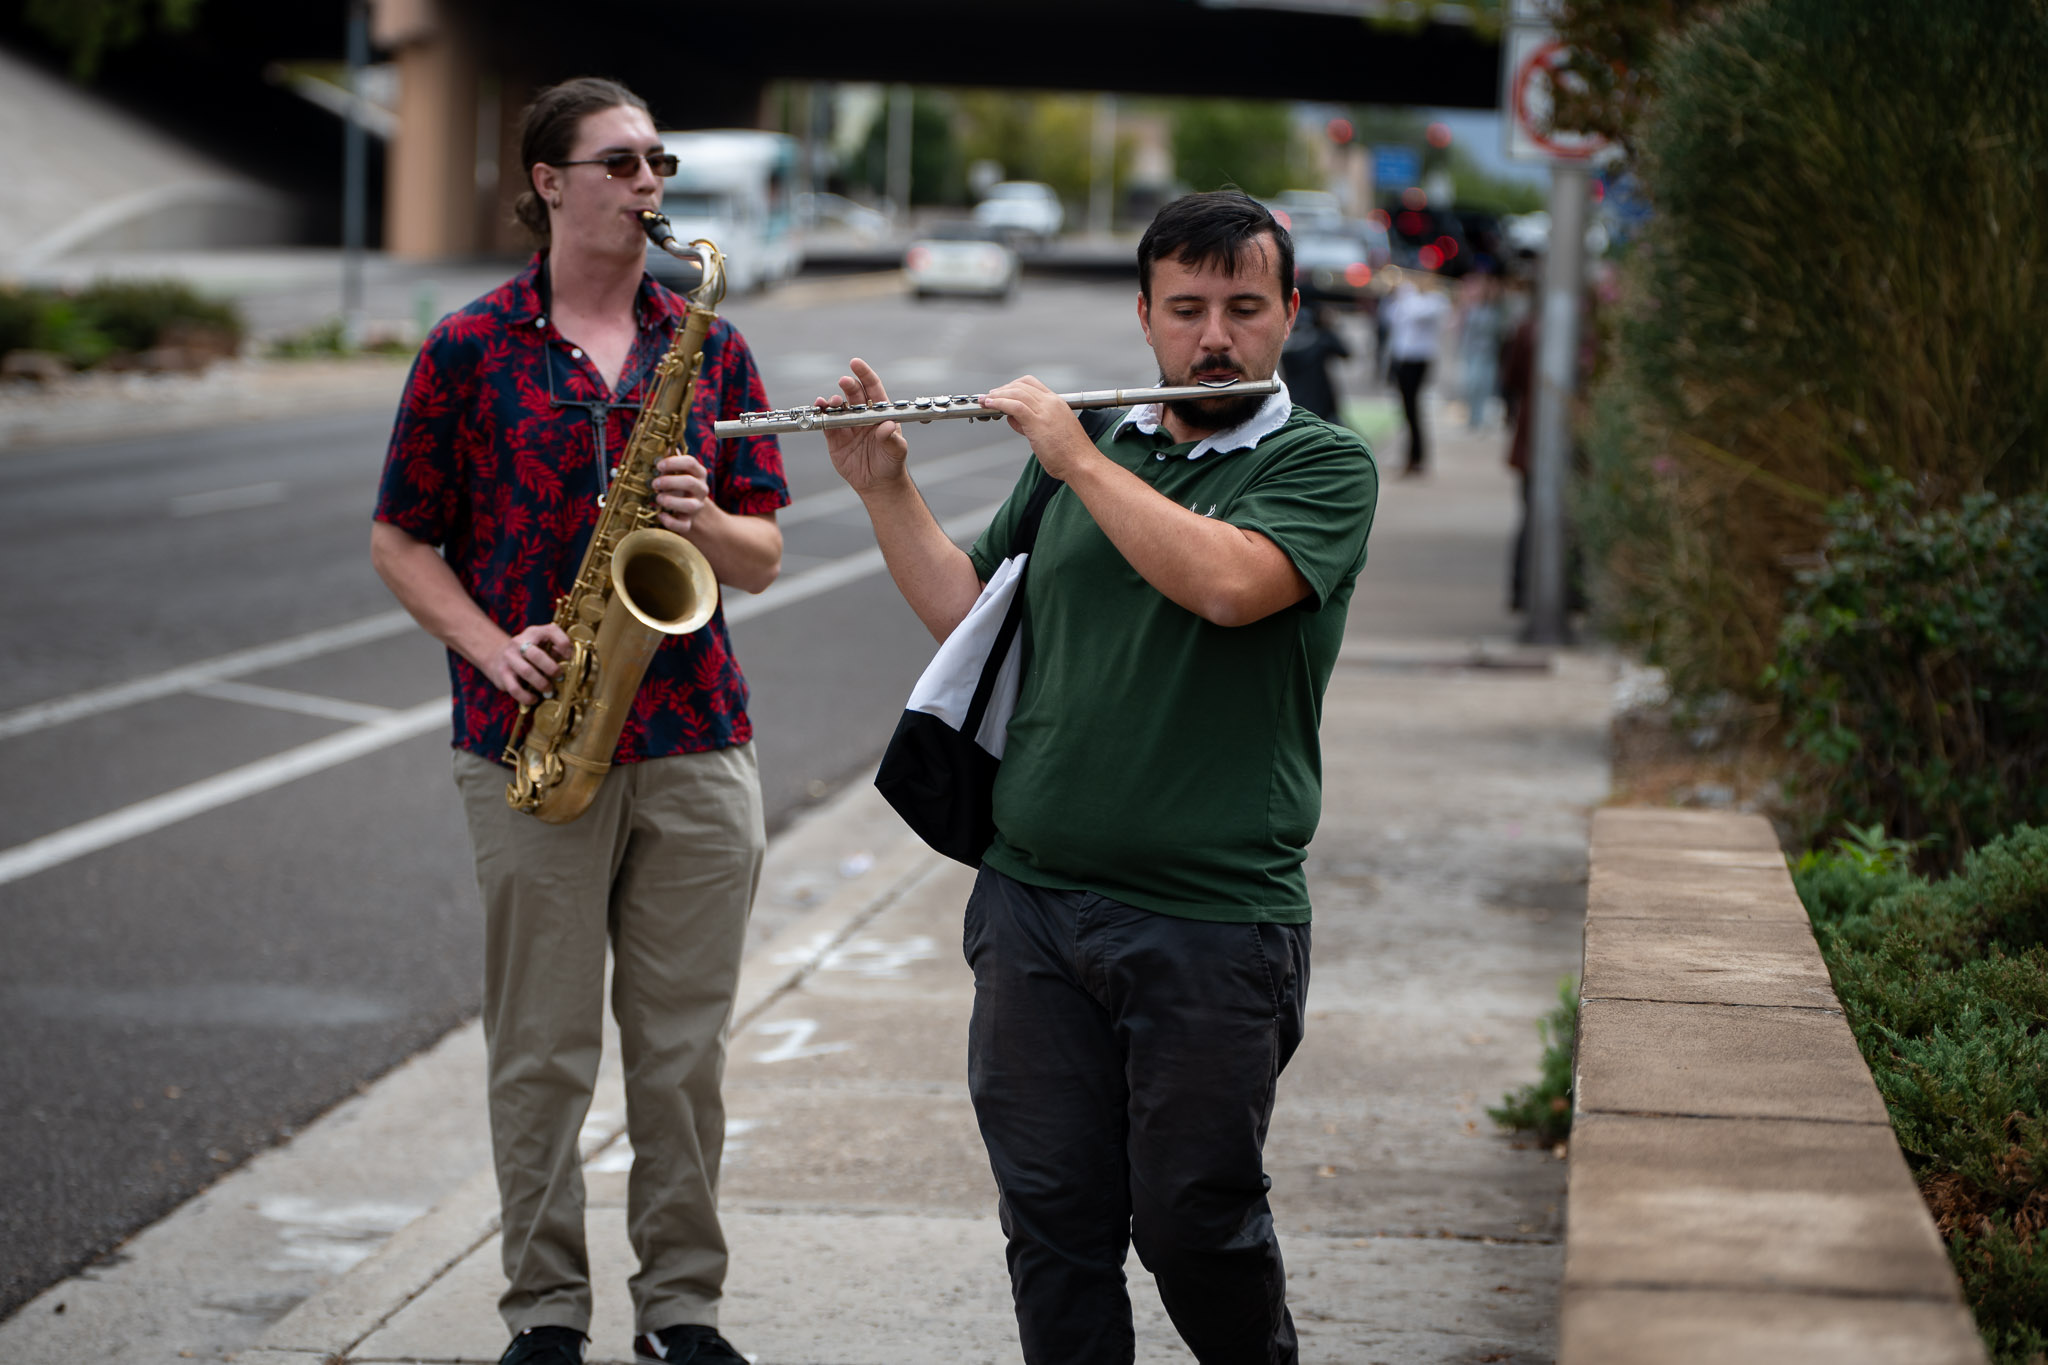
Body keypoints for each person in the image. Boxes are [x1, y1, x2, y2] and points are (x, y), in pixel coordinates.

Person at [819, 190, 1378, 1365]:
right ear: (1143, 316)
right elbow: (969, 619)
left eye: (1241, 307)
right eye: (1185, 309)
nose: (1211, 336)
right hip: (1030, 905)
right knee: (1053, 1227)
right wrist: (883, 488)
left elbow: (1229, 585)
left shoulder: (1322, 465)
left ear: (1287, 314)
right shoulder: (1098, 452)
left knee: (1194, 1226)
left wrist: (1074, 458)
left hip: (1211, 924)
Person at [369, 77, 787, 1365]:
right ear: (549, 181)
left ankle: (683, 1313)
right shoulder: (469, 345)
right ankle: (545, 1311)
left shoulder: (707, 345)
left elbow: (762, 553)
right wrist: (489, 645)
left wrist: (705, 520)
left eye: (656, 162)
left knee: (681, 1058)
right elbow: (399, 537)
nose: (647, 184)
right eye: (618, 163)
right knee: (542, 1055)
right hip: (531, 741)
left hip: (696, 737)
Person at [1379, 273, 1450, 476]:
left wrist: (1405, 292)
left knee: (1413, 410)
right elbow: (1389, 318)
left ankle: (1416, 457)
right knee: (1406, 410)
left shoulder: (1435, 301)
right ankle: (1410, 455)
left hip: (1418, 361)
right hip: (1402, 359)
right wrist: (1396, 295)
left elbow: (1416, 313)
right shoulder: (1407, 300)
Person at [1279, 301, 1351, 423]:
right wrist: (1328, 328)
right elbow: (1344, 352)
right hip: (1320, 404)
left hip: (1296, 402)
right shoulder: (1321, 339)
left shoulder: (1286, 346)